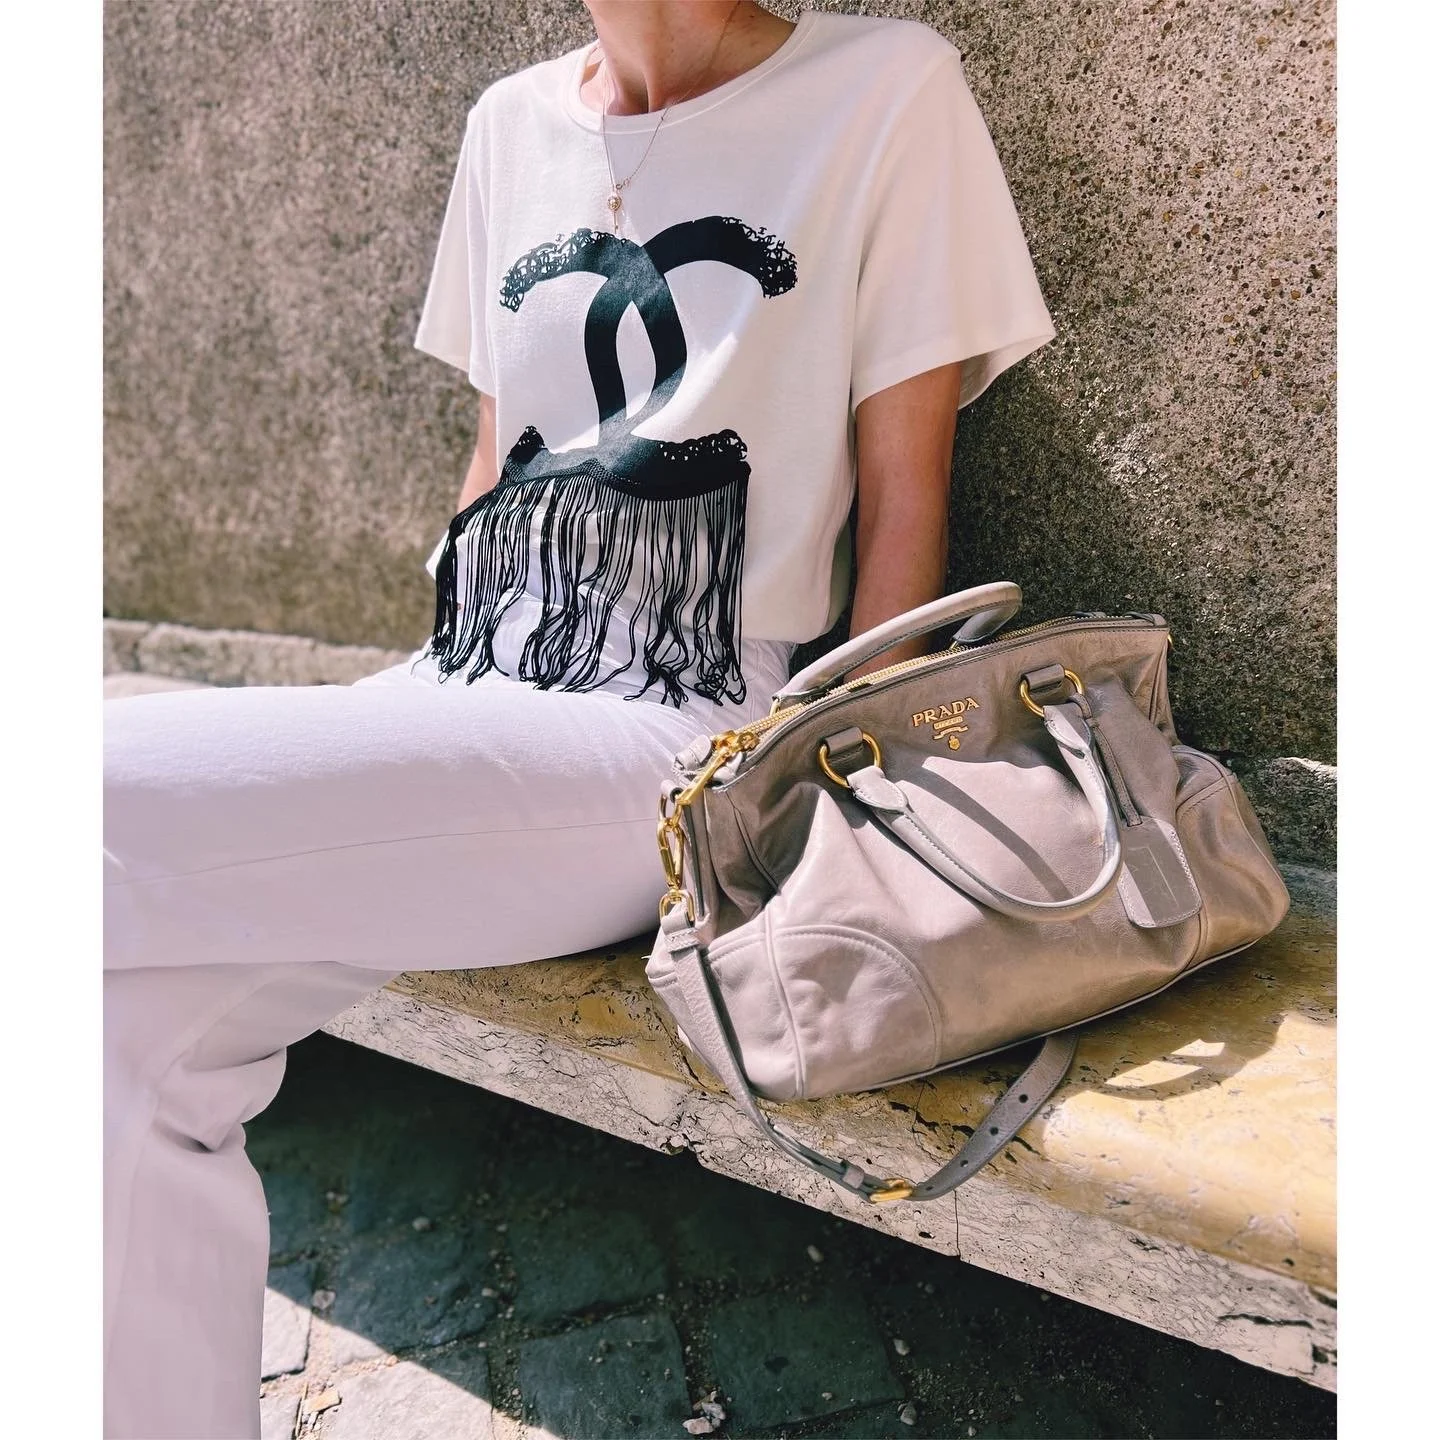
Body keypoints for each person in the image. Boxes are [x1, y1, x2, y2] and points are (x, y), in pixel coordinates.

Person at [102, 3, 1055, 1435]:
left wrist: (843, 802)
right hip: (472, 676)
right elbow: (496, 459)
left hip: (682, 722)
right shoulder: (509, 124)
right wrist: (410, 711)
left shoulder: (885, 90)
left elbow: (905, 498)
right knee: (105, 1042)